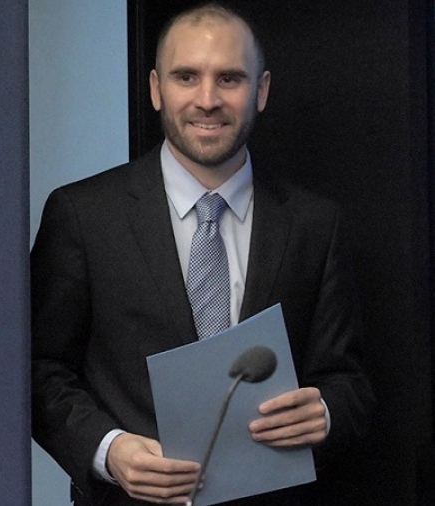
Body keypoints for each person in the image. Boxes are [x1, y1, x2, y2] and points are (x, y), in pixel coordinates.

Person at [30, 3, 374, 505]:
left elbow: (349, 382)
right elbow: (39, 369)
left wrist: (324, 412)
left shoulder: (314, 225)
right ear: (156, 89)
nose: (207, 100)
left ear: (261, 91)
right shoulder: (82, 215)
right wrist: (108, 450)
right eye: (186, 77)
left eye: (229, 79)